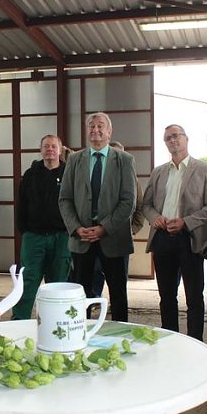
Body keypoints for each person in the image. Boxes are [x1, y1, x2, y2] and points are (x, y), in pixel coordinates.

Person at [142, 124, 207, 340]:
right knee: (166, 296)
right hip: (162, 238)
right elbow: (146, 205)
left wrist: (186, 222)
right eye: (168, 138)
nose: (172, 140)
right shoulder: (159, 172)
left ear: (187, 139)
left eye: (176, 136)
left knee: (194, 296)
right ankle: (170, 338)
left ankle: (195, 341)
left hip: (190, 239)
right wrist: (154, 218)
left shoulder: (203, 169)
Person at [58, 112, 136, 322]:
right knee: (80, 293)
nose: (96, 130)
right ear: (87, 131)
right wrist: (75, 228)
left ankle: (120, 335)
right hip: (81, 237)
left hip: (113, 238)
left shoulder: (124, 160)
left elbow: (128, 202)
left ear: (109, 132)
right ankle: (79, 333)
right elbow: (64, 199)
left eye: (101, 126)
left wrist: (104, 227)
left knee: (118, 293)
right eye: (91, 126)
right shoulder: (75, 159)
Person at [12, 134, 71, 320]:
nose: (50, 150)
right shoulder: (31, 174)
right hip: (34, 236)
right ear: (41, 150)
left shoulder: (68, 173)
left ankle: (55, 320)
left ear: (60, 150)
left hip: (61, 237)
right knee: (28, 280)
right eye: (46, 146)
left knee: (58, 282)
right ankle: (19, 319)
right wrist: (25, 230)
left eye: (54, 146)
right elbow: (22, 203)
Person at [90, 140, 145, 298]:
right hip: (96, 235)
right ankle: (95, 301)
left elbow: (139, 205)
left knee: (118, 280)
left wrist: (133, 229)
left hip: (120, 236)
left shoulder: (131, 179)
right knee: (95, 272)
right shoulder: (95, 175)